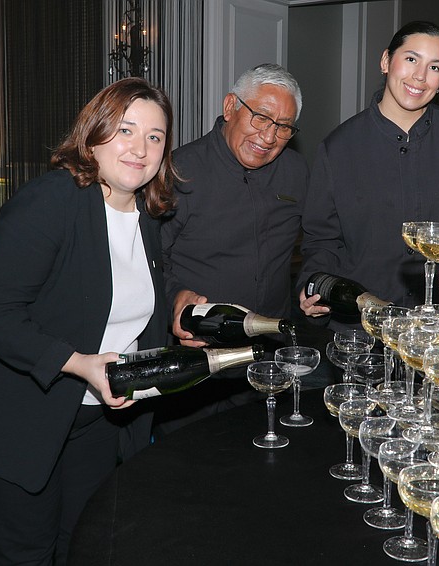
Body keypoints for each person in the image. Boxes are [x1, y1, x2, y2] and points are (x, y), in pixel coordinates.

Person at [0, 77, 175, 565]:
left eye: (155, 136)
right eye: (126, 130)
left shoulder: (148, 216)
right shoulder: (52, 201)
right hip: (21, 421)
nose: (140, 148)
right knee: (28, 555)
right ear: (93, 134)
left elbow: (127, 313)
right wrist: (78, 363)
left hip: (98, 423)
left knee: (84, 546)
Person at [298, 21, 439, 324]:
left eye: (435, 67)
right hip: (360, 328)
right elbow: (321, 240)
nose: (420, 76)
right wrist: (312, 286)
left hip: (437, 327)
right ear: (386, 61)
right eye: (411, 59)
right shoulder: (338, 147)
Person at [158, 63, 309, 431]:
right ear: (230, 107)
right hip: (195, 360)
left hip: (266, 362)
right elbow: (147, 260)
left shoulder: (297, 172)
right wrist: (173, 296)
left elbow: (320, 238)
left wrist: (313, 279)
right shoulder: (178, 171)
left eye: (284, 126)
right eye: (261, 117)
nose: (270, 136)